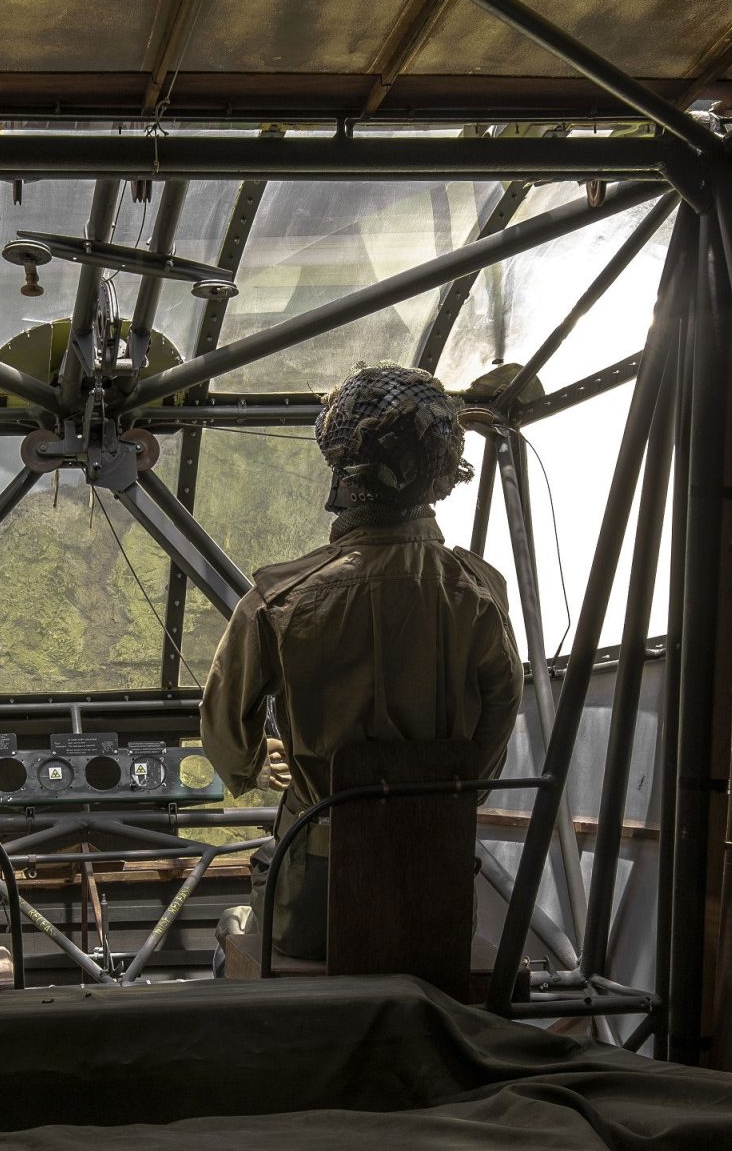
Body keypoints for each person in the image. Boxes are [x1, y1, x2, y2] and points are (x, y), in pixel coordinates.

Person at [201, 364, 522, 960]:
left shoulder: (280, 599)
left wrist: (251, 766)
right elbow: (498, 720)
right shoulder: (481, 591)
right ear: (440, 474)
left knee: (234, 930)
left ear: (344, 476)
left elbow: (223, 732)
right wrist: (449, 792)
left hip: (317, 892)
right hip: (436, 885)